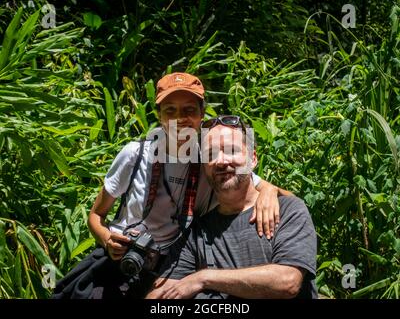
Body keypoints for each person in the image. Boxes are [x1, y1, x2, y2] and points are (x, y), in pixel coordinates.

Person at [53, 73, 291, 299]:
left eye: (189, 110)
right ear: (160, 116)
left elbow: (262, 185)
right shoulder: (136, 155)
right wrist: (106, 238)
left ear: (201, 115)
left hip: (170, 269)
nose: (180, 118)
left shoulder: (208, 161)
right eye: (170, 111)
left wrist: (268, 192)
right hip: (118, 262)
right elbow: (96, 215)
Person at [146, 117, 317, 299]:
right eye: (210, 154)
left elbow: (287, 281)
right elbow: (157, 295)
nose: (220, 161)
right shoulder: (198, 233)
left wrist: (204, 278)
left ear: (253, 159)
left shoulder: (288, 211)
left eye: (231, 151)